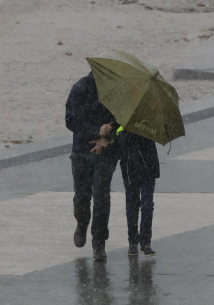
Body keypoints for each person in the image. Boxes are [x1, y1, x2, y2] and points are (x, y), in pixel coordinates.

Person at [65, 71, 119, 261]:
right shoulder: (81, 89)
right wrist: (95, 132)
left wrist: (108, 137)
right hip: (81, 151)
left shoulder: (117, 91)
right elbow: (71, 121)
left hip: (107, 153)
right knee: (81, 195)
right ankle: (82, 223)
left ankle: (99, 242)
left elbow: (123, 123)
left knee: (102, 196)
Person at [116, 127, 160, 257]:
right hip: (130, 167)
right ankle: (133, 242)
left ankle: (146, 242)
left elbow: (155, 134)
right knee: (132, 205)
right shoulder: (122, 119)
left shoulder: (150, 118)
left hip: (148, 165)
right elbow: (118, 138)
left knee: (147, 206)